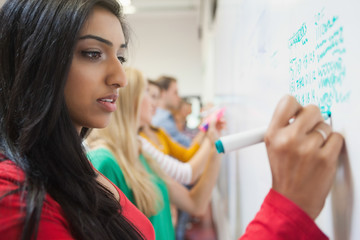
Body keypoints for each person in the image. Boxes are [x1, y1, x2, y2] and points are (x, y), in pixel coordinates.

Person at [0, 0, 154, 239]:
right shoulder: (16, 195)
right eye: (93, 54)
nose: (120, 78)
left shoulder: (76, 168)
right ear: (34, 61)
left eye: (120, 57)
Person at [86, 67, 224, 240]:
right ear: (129, 99)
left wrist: (217, 147)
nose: (155, 103)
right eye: (147, 93)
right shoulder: (104, 161)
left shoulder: (142, 153)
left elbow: (196, 203)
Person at [152, 76, 193, 147]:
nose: (179, 98)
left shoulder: (163, 117)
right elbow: (186, 147)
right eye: (175, 93)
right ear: (163, 93)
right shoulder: (163, 120)